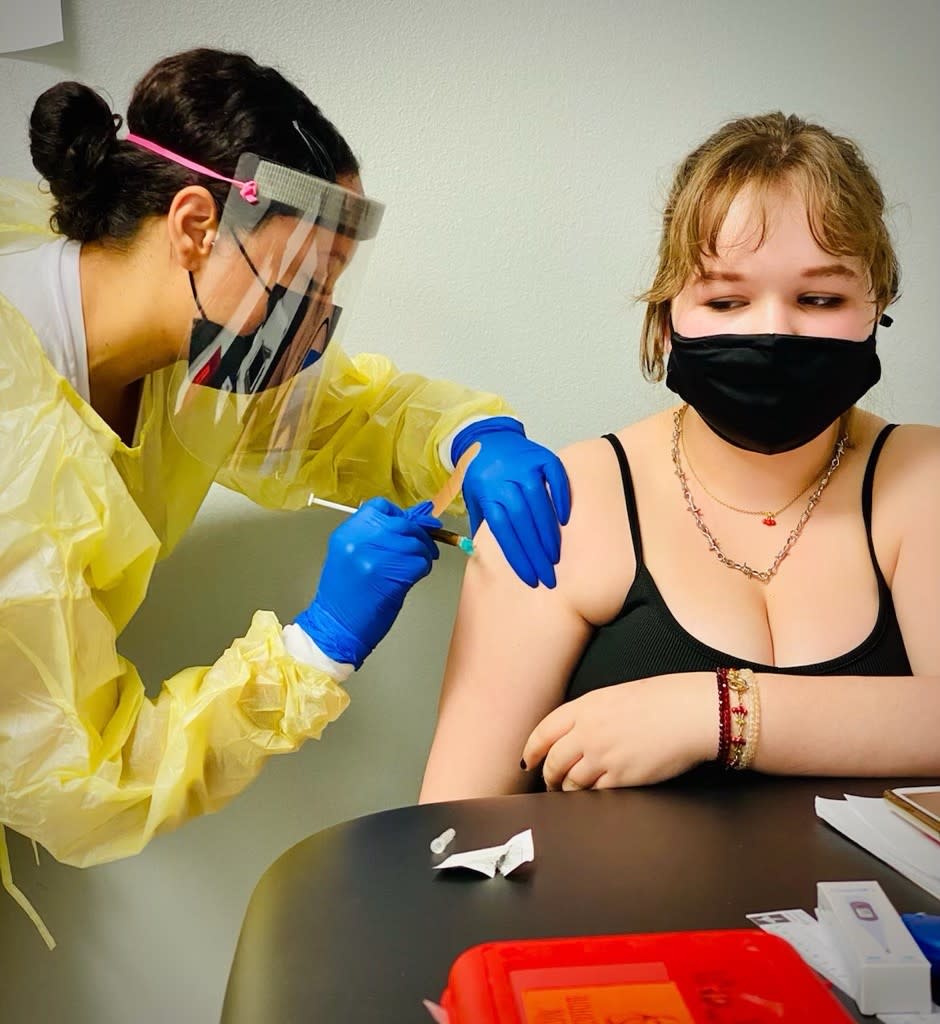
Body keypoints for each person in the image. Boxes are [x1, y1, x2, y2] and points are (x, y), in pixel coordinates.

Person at [0, 47, 571, 924]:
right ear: (194, 224)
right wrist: (317, 645)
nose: (316, 324)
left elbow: (340, 417)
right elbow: (85, 786)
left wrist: (473, 437)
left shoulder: (168, 345)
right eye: (303, 278)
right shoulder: (12, 448)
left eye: (333, 284)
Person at [420, 112, 940, 802]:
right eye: (726, 299)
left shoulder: (921, 477)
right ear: (667, 314)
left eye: (820, 298)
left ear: (878, 306)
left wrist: (716, 714)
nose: (773, 331)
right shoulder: (569, 503)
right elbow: (455, 824)